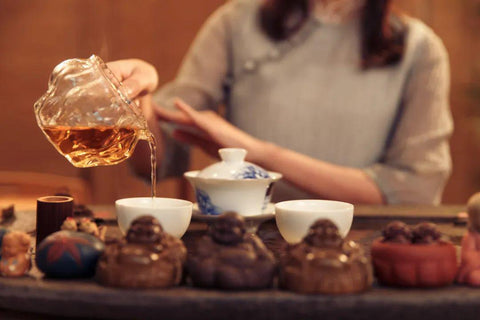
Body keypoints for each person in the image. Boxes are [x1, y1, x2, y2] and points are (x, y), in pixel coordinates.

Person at [108, 0, 453, 204]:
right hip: (248, 246)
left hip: (363, 253)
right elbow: (151, 161)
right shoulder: (237, 22)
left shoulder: (420, 50)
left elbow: (415, 191)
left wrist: (262, 155)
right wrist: (140, 100)